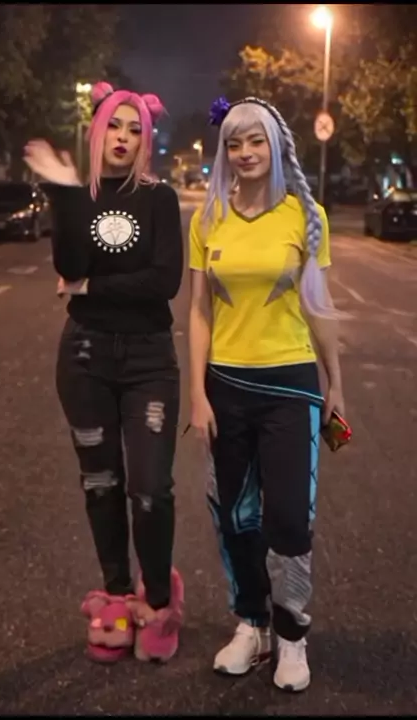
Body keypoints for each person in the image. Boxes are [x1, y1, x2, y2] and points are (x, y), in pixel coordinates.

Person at [23, 82, 184, 664]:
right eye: (114, 125)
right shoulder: (82, 197)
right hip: (85, 357)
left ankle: (159, 600)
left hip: (149, 359)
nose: (123, 137)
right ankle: (116, 594)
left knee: (150, 488)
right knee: (100, 482)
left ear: (146, 140)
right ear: (97, 130)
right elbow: (68, 263)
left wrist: (90, 286)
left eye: (135, 129)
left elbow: (164, 281)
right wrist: (66, 195)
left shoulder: (159, 199)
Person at [188, 96, 344, 692]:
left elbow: (318, 305)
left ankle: (292, 635)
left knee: (288, 517)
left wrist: (336, 382)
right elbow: (198, 312)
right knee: (235, 515)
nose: (245, 152)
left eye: (256, 141)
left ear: (277, 146)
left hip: (290, 385)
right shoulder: (208, 219)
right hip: (226, 385)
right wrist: (197, 393)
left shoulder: (306, 216)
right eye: (234, 143)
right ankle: (251, 624)